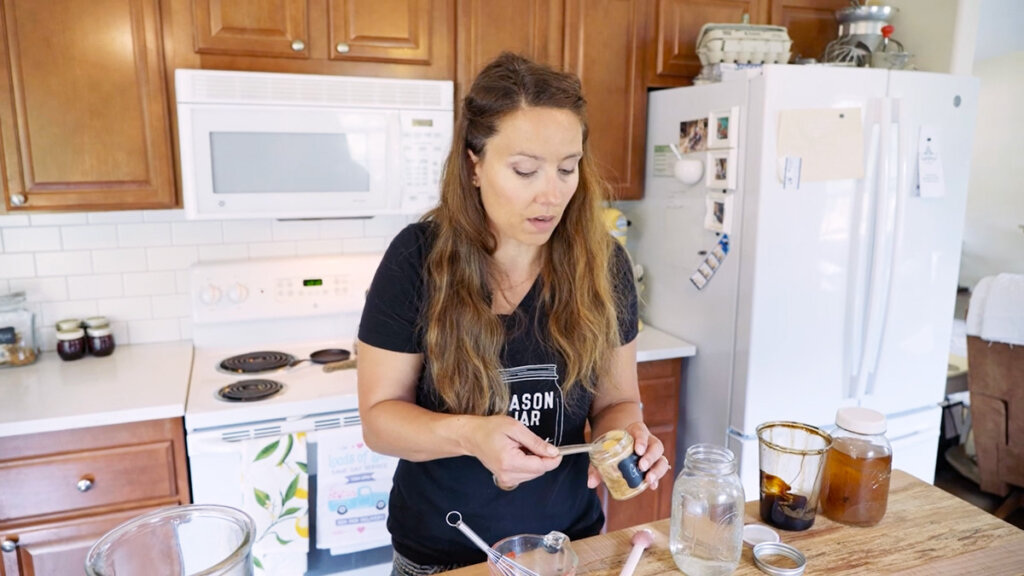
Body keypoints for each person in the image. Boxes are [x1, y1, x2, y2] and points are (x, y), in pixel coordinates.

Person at [356, 52, 671, 576]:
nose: (552, 194)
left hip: (567, 548)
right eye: (525, 170)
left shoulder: (604, 263)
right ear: (474, 164)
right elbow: (380, 420)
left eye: (567, 168)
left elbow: (618, 400)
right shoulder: (417, 259)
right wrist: (469, 435)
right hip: (443, 558)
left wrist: (627, 440)